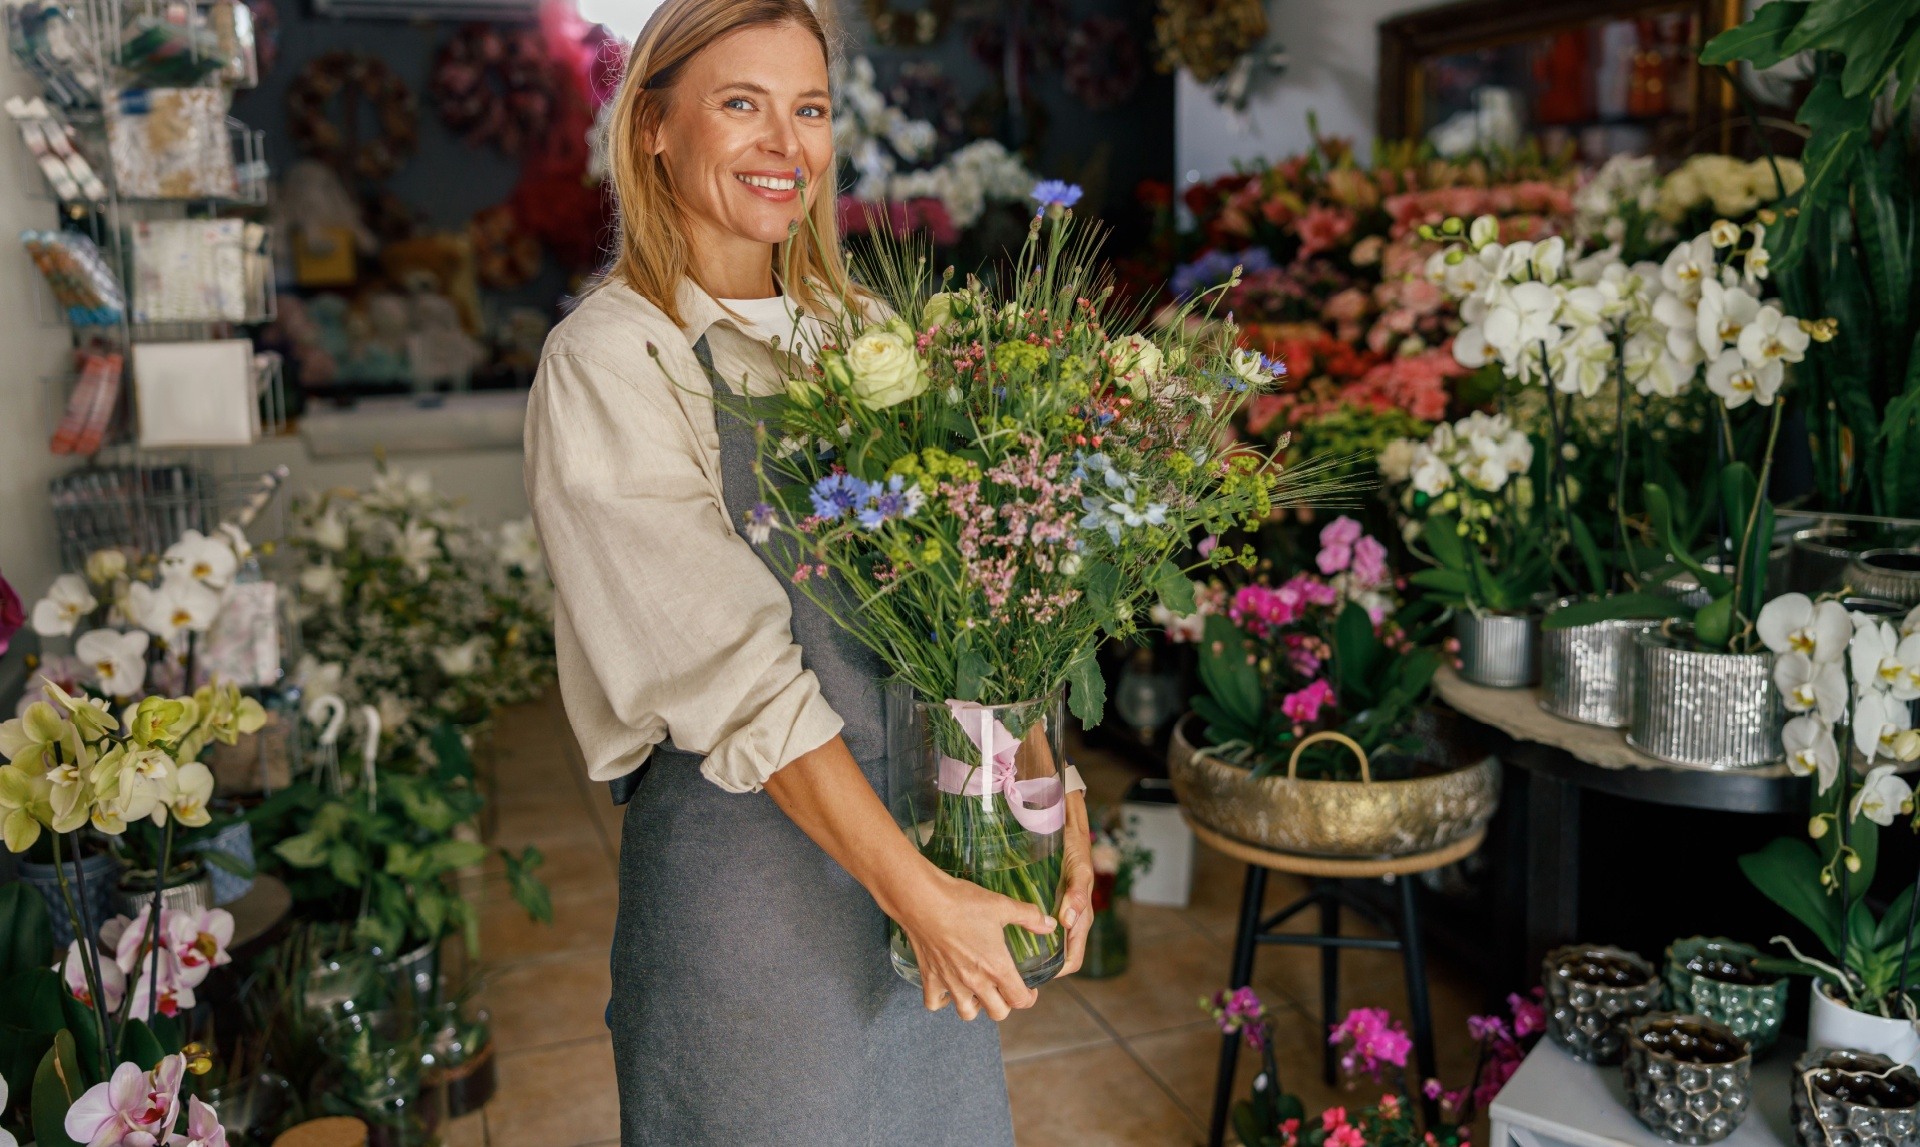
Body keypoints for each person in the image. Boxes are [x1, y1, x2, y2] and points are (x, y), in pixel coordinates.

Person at [522, 1, 1094, 1142]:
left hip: (932, 845)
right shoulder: (613, 359)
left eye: (811, 109)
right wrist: (915, 895)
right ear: (652, 126)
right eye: (741, 104)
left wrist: (1048, 791)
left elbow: (979, 599)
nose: (787, 145)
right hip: (751, 889)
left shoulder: (863, 330)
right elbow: (736, 680)